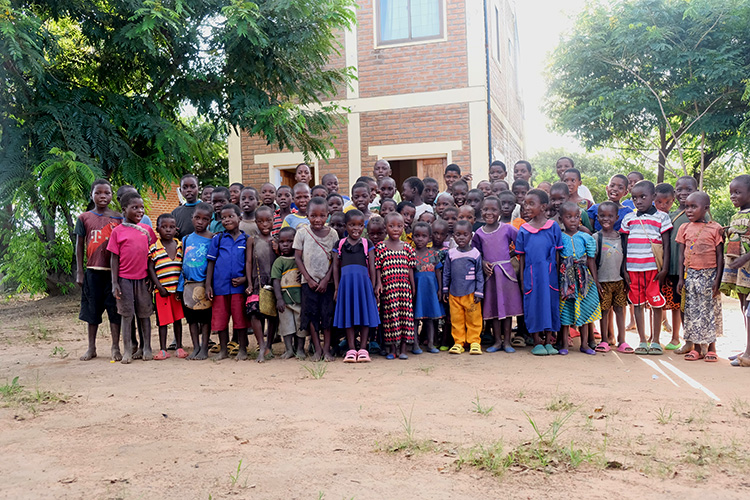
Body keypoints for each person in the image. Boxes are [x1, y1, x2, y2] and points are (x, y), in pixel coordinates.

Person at [619, 180, 672, 355]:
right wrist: (624, 268)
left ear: (653, 197)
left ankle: (656, 340)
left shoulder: (662, 217)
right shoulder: (629, 219)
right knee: (637, 304)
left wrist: (664, 268)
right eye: (635, 198)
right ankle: (642, 340)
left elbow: (666, 244)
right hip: (633, 269)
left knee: (656, 303)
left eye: (643, 196)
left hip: (653, 270)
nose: (638, 201)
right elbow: (624, 246)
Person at [75, 179, 123, 361]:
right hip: (92, 271)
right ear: (91, 195)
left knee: (114, 310)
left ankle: (115, 347)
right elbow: (79, 245)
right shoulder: (84, 218)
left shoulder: (118, 218)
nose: (102, 196)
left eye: (107, 193)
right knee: (91, 310)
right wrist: (80, 271)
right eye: (98, 192)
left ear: (112, 195)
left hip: (113, 273)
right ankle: (91, 347)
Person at [107, 191, 157, 364]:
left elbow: (154, 256)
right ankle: (128, 349)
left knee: (145, 314)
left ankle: (147, 347)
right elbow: (114, 258)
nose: (140, 211)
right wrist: (114, 282)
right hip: (124, 280)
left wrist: (152, 278)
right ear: (124, 209)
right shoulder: (117, 231)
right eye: (135, 207)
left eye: (142, 207)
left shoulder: (148, 231)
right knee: (127, 315)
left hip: (143, 280)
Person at [676, 192, 724, 363]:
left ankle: (711, 347)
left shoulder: (715, 228)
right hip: (691, 276)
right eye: (687, 206)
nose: (689, 210)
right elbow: (681, 255)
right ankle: (697, 348)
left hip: (709, 275)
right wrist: (681, 279)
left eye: (693, 207)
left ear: (706, 209)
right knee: (692, 312)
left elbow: (720, 256)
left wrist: (717, 280)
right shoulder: (684, 228)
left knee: (710, 312)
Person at [515, 189, 562, 356]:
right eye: (525, 204)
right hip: (531, 275)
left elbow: (557, 254)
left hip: (549, 275)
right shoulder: (524, 230)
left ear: (543, 206)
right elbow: (521, 258)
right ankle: (536, 341)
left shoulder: (553, 227)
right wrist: (522, 280)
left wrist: (557, 275)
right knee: (533, 306)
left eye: (531, 204)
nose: (526, 207)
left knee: (550, 305)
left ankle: (549, 340)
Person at [473, 196, 521, 353]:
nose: (489, 212)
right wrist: (483, 262)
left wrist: (509, 256)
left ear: (500, 212)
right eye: (486, 209)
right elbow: (475, 252)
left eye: (494, 209)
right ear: (481, 211)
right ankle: (497, 341)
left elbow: (521, 242)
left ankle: (507, 342)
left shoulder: (507, 228)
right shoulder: (479, 233)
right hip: (490, 276)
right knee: (493, 308)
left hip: (507, 275)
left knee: (507, 309)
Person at [294, 197, 339, 361]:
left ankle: (327, 350)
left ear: (327, 215)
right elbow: (298, 258)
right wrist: (308, 278)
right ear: (307, 215)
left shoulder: (333, 234)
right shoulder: (302, 233)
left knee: (327, 316)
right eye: (313, 215)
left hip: (327, 284)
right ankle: (317, 350)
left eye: (321, 215)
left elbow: (335, 260)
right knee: (312, 317)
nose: (317, 219)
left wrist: (326, 280)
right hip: (308, 284)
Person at [332, 209, 379, 363]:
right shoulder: (339, 244)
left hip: (363, 285)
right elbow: (335, 268)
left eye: (360, 225)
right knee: (349, 316)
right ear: (346, 226)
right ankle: (351, 349)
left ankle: (364, 349)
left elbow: (372, 266)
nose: (356, 229)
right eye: (352, 225)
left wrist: (372, 287)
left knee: (365, 316)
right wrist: (338, 288)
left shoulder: (367, 243)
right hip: (346, 286)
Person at [205, 203, 249, 360]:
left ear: (240, 218)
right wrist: (208, 285)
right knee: (221, 320)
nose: (227, 220)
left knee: (240, 319)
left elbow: (249, 264)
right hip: (220, 287)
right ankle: (223, 350)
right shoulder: (218, 239)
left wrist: (245, 279)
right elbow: (211, 262)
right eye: (223, 218)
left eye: (231, 216)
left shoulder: (247, 239)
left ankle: (243, 349)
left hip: (238, 288)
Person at [557, 203, 602, 356]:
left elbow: (591, 260)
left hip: (584, 277)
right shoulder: (559, 237)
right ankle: (563, 343)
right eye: (569, 217)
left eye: (576, 217)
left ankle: (584, 344)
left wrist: (595, 281)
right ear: (561, 219)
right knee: (565, 311)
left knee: (586, 309)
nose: (573, 220)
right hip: (565, 278)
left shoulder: (586, 237)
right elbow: (557, 259)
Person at [374, 212, 417, 360]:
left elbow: (411, 268)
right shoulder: (380, 247)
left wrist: (412, 286)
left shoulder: (407, 248)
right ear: (385, 228)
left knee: (406, 318)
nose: (396, 229)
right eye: (391, 226)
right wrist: (379, 283)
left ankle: (403, 349)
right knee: (390, 318)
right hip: (389, 289)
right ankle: (392, 348)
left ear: (404, 228)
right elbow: (378, 267)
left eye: (399, 226)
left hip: (404, 289)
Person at [177, 202, 214, 360]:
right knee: (191, 319)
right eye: (197, 218)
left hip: (204, 285)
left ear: (210, 221)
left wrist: (209, 285)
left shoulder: (213, 239)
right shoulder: (185, 239)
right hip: (188, 285)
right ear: (192, 218)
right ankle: (196, 347)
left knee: (205, 320)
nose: (200, 221)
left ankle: (205, 348)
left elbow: (213, 263)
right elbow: (182, 264)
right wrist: (180, 288)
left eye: (204, 219)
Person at [442, 220, 484, 355]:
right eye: (458, 234)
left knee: (474, 319)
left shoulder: (475, 254)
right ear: (453, 236)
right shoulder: (451, 253)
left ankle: (474, 342)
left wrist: (479, 292)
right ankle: (458, 342)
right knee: (456, 319)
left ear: (470, 236)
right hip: (454, 294)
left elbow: (479, 274)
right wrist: (445, 289)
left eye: (465, 234)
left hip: (471, 294)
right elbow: (446, 273)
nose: (461, 238)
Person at [593, 201, 630, 353]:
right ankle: (604, 340)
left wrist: (626, 275)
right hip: (603, 281)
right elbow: (592, 261)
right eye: (602, 216)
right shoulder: (596, 237)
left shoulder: (622, 237)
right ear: (597, 217)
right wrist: (595, 280)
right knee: (604, 311)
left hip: (619, 281)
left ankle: (622, 341)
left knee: (620, 310)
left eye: (610, 216)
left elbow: (626, 258)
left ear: (617, 217)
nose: (606, 219)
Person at [721, 174, 750, 366]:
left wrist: (746, 257)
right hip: (738, 270)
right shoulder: (736, 215)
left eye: (738, 192)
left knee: (749, 309)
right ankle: (747, 347)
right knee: (743, 307)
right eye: (731, 192)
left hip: (747, 266)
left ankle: (749, 353)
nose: (733, 196)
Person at [148, 214, 185, 360]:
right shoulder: (153, 248)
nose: (168, 230)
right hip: (162, 291)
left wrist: (181, 289)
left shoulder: (181, 246)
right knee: (162, 321)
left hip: (177, 292)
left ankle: (179, 347)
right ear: (157, 229)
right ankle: (163, 349)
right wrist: (159, 286)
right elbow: (150, 268)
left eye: (171, 227)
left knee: (177, 320)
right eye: (164, 227)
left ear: (176, 229)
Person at [245, 205, 276, 362]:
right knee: (255, 312)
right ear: (255, 222)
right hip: (257, 281)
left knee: (272, 314)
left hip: (273, 282)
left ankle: (269, 345)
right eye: (260, 221)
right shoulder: (252, 240)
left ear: (273, 221)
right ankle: (261, 344)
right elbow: (249, 262)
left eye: (268, 221)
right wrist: (249, 283)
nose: (264, 224)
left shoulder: (276, 241)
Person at [653, 183, 681, 348]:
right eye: (659, 202)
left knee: (675, 304)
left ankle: (675, 337)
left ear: (673, 200)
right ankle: (654, 336)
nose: (663, 206)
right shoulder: (651, 218)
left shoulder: (674, 218)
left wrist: (668, 268)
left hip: (671, 268)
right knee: (655, 302)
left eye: (667, 202)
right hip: (654, 267)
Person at [412, 222, 444, 353]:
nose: (420, 239)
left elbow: (438, 272)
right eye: (417, 236)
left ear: (429, 238)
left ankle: (431, 344)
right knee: (415, 319)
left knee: (430, 319)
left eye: (423, 236)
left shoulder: (434, 254)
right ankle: (415, 344)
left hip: (430, 290)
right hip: (417, 291)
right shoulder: (410, 253)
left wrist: (440, 289)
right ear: (412, 237)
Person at [271, 227, 303, 359]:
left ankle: (300, 349)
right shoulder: (279, 261)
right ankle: (289, 349)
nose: (285, 244)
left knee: (301, 326)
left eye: (290, 241)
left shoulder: (300, 260)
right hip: (285, 302)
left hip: (300, 300)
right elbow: (276, 281)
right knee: (287, 326)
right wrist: (279, 299)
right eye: (282, 242)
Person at [172, 174, 200, 240]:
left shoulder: (206, 209)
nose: (189, 190)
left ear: (198, 188)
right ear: (181, 191)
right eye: (185, 187)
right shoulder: (175, 213)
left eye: (192, 187)